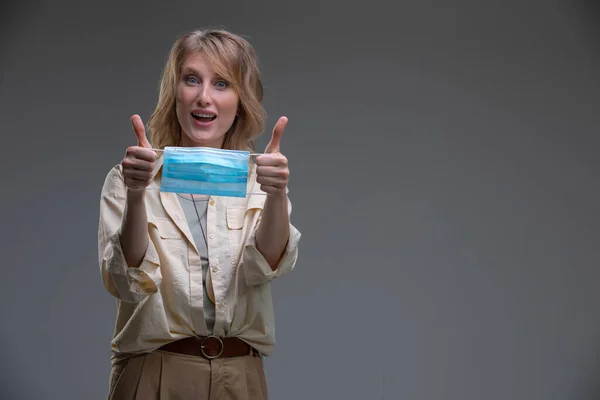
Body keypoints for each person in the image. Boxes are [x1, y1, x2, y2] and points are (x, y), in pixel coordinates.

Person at [97, 28, 301, 400]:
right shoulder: (128, 177)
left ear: (241, 100)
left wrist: (276, 194)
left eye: (222, 83)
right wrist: (138, 193)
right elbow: (126, 282)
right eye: (191, 79)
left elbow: (267, 265)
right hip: (155, 372)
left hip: (241, 376)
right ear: (175, 91)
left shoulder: (262, 177)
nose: (203, 97)